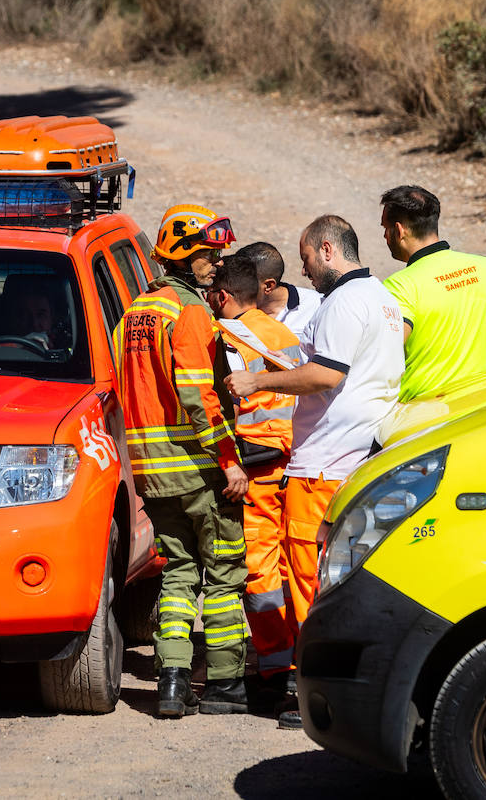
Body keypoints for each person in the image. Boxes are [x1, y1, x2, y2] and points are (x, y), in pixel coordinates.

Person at [226, 214, 404, 729]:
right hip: (359, 454)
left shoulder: (345, 301)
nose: (302, 269)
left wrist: (259, 380)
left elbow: (327, 374)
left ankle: (310, 694)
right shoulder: (382, 297)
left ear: (327, 250)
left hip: (324, 463)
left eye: (305, 258)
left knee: (308, 581)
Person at [111, 204, 250, 718]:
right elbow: (198, 397)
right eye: (208, 255)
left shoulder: (132, 313)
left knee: (177, 574)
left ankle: (171, 683)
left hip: (151, 471)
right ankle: (227, 683)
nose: (216, 264)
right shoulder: (189, 312)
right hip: (197, 468)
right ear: (183, 255)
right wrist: (229, 460)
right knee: (223, 574)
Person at [205, 257, 303, 706]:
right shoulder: (282, 332)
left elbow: (221, 406)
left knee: (260, 570)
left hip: (256, 468)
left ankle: (279, 668)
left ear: (223, 296)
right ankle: (299, 659)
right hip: (294, 462)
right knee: (295, 565)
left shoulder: (227, 339)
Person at [380, 185, 486, 401]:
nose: (385, 237)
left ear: (399, 230)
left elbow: (382, 358)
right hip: (474, 410)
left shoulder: (398, 286)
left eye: (385, 229)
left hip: (423, 416)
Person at [232, 241, 322, 336]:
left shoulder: (317, 306)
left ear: (268, 286)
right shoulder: (233, 309)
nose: (235, 288)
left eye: (243, 283)